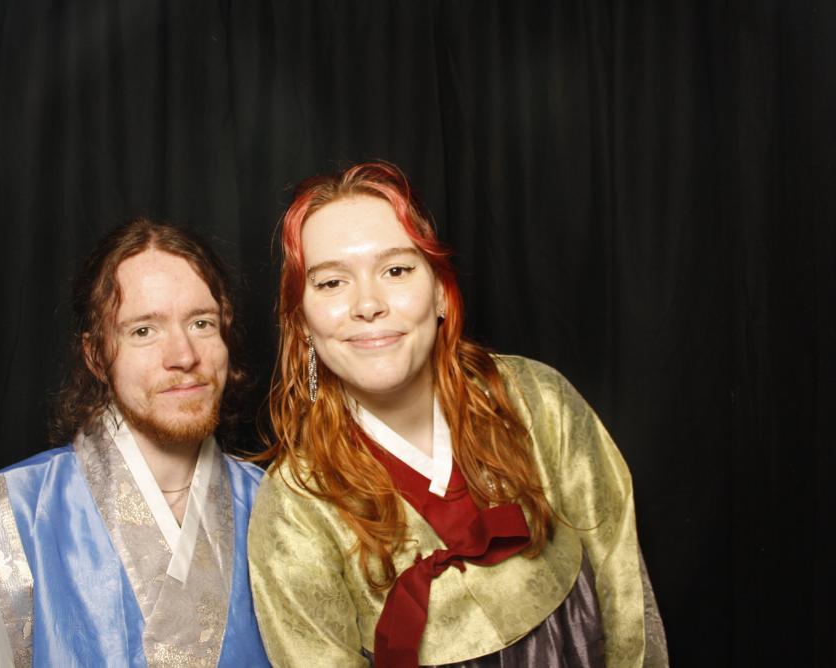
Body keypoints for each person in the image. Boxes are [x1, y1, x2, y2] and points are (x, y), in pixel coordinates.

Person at [248, 162, 669, 667]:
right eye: (332, 282)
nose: (368, 304)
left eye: (396, 271)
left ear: (441, 292)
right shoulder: (295, 503)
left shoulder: (536, 400)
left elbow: (625, 592)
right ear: (301, 322)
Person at [0, 218, 270, 667]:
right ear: (96, 355)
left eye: (201, 323)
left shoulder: (278, 511)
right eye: (144, 330)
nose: (184, 356)